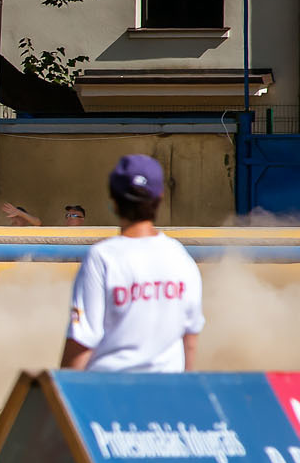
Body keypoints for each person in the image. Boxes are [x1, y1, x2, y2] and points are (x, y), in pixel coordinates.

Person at [61, 155, 204, 373]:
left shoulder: (102, 257)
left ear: (114, 201)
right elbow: (190, 340)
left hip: (110, 390)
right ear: (160, 197)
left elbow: (82, 341)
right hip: (166, 389)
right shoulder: (180, 257)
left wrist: (60, 399)